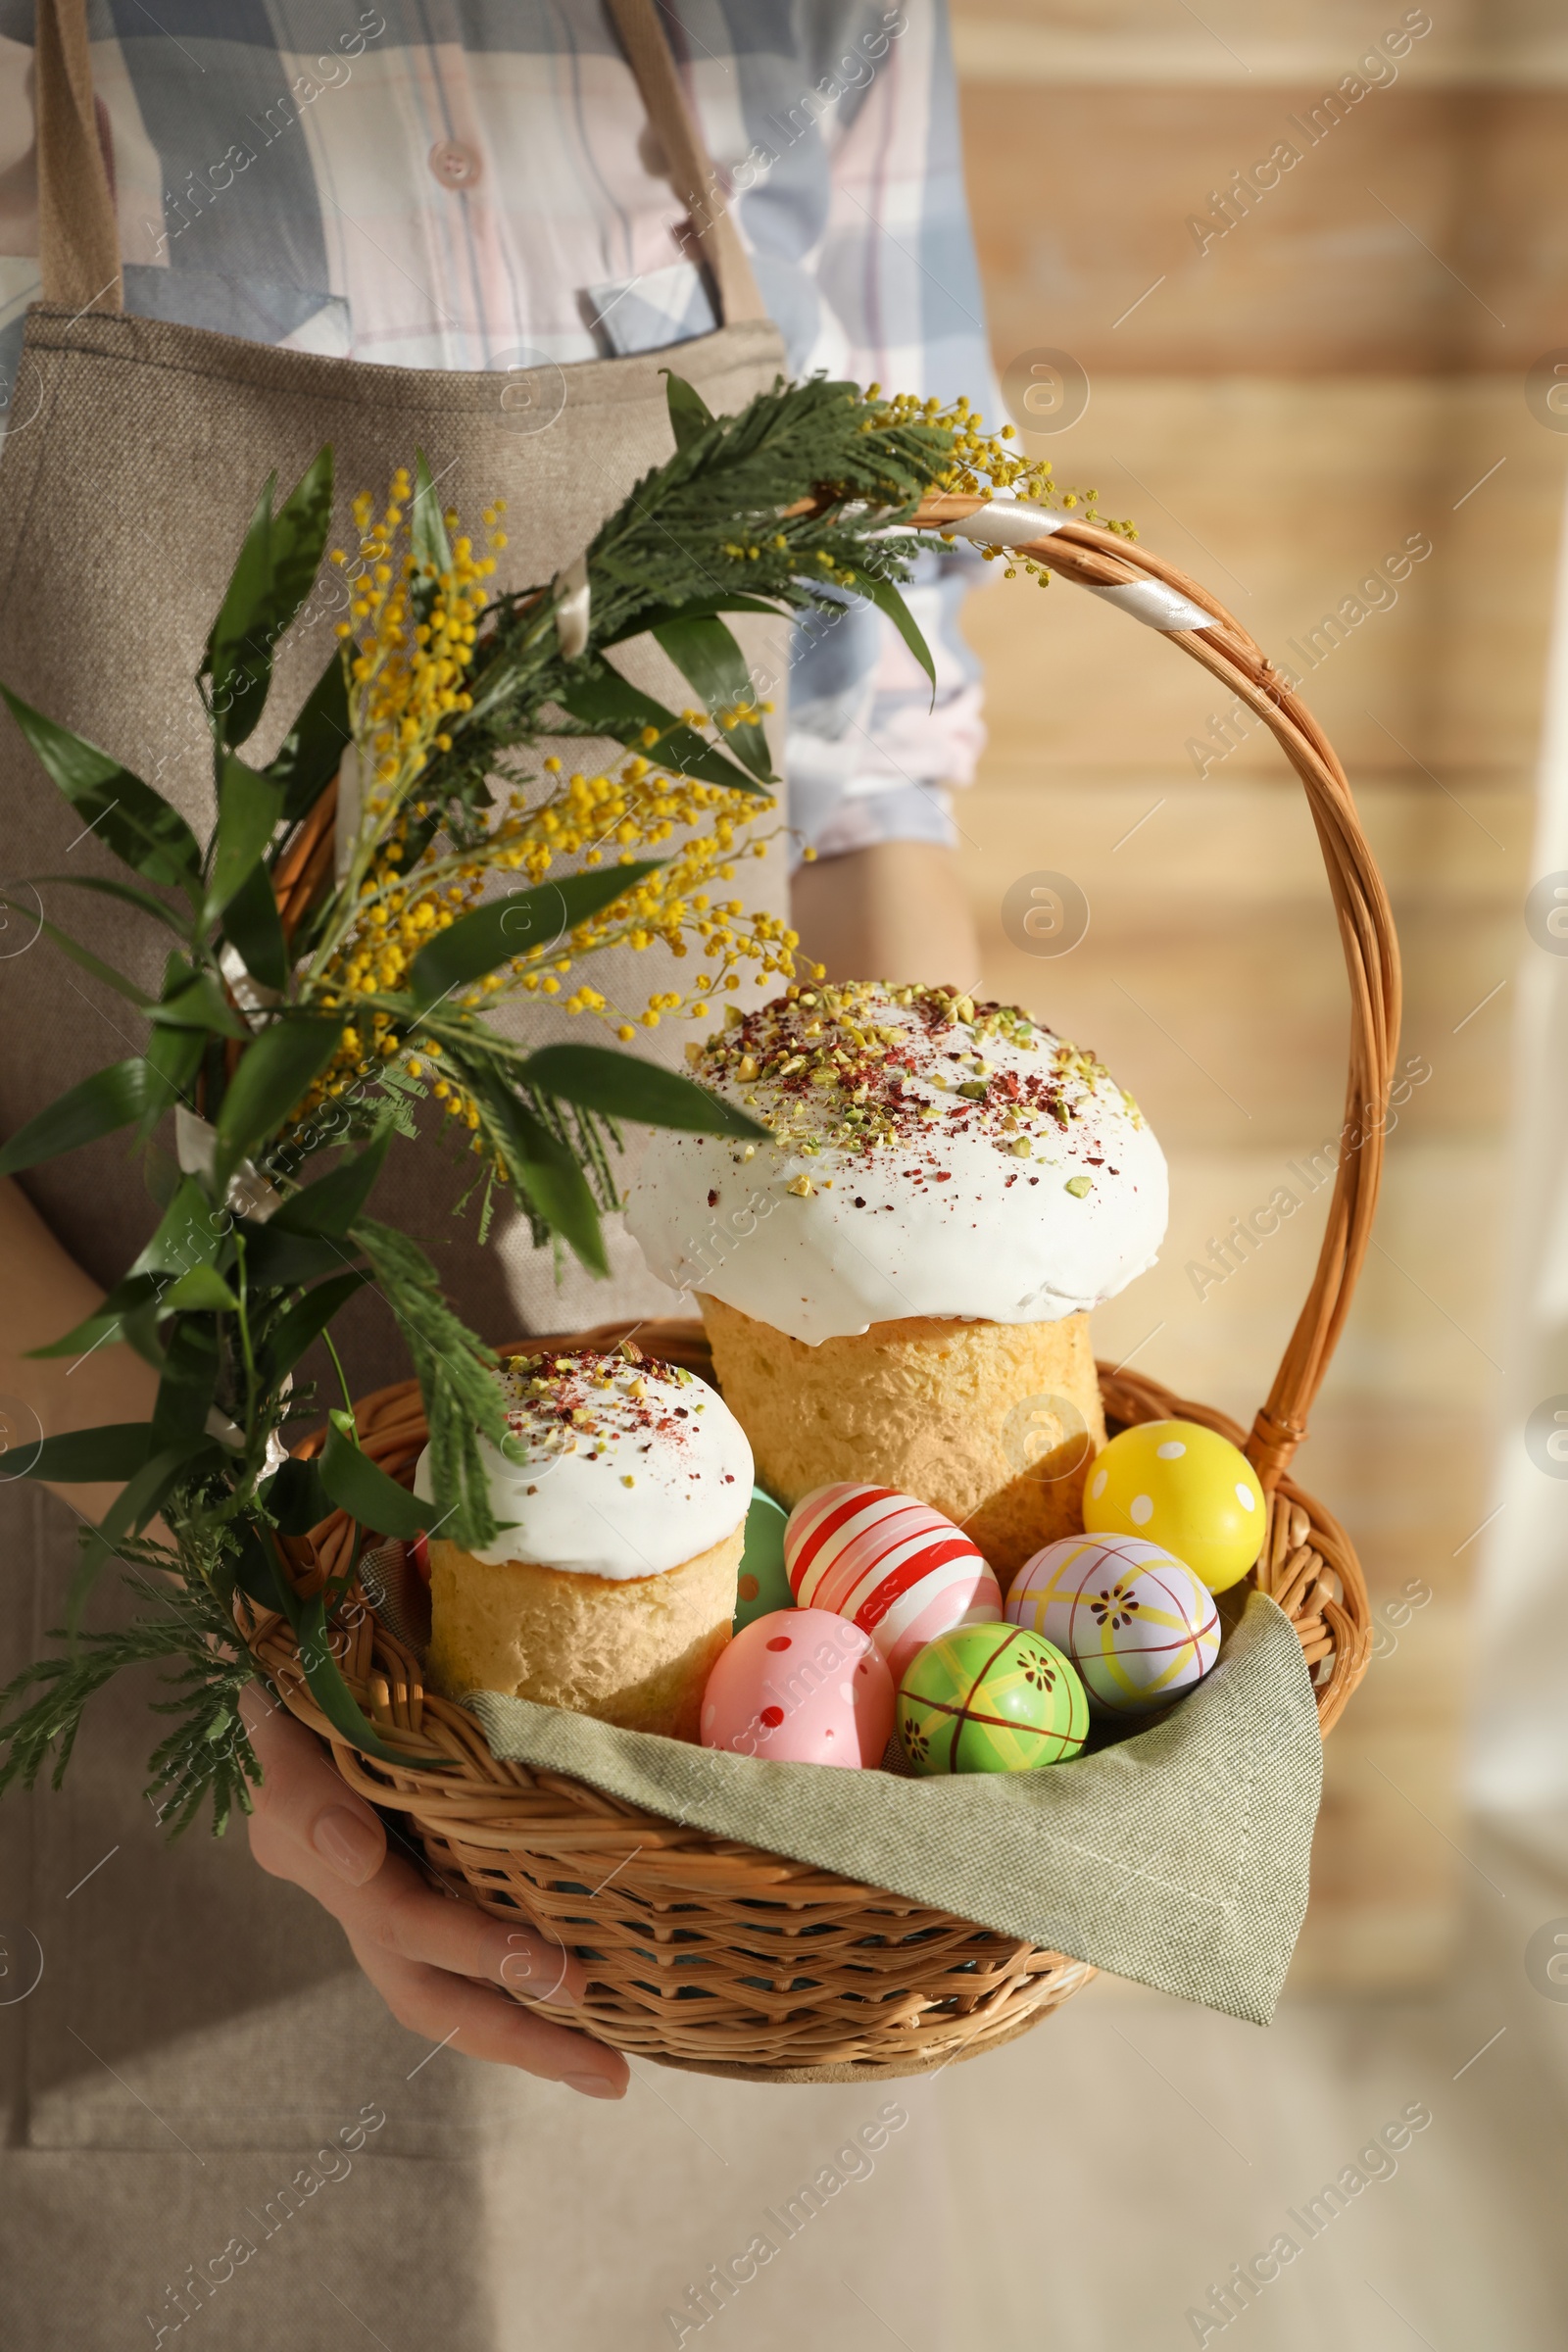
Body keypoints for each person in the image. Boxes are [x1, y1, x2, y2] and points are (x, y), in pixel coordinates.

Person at [0, 6, 996, 2344]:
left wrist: (938, 1462)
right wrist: (270, 1644)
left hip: (738, 1684)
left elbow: (860, 799)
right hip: (114, 1563)